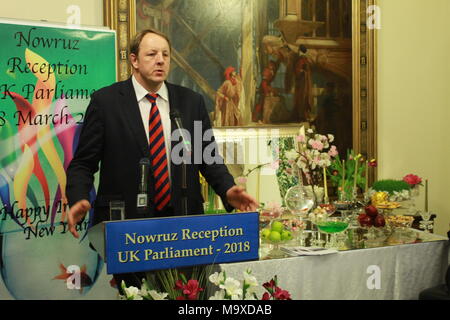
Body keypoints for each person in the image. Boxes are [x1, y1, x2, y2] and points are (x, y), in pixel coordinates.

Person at [66, 29, 258, 291]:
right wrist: (78, 197)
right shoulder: (106, 102)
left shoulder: (190, 102)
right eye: (152, 54)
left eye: (166, 55)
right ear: (134, 60)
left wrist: (228, 189)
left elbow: (208, 157)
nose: (160, 60)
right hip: (128, 230)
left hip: (184, 226)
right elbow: (83, 163)